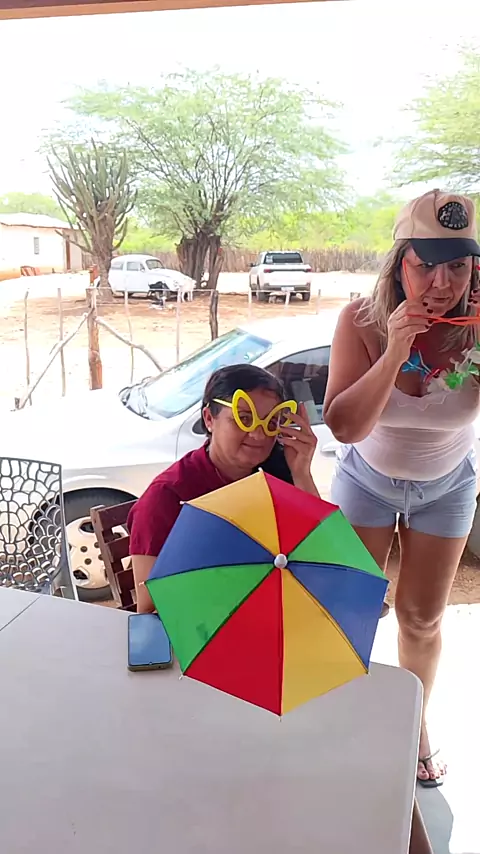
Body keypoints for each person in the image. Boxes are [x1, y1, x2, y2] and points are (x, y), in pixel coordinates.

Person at [324, 189, 480, 788]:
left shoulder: (476, 326)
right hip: (366, 480)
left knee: (420, 618)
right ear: (399, 264)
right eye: (426, 265)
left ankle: (415, 726)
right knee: (353, 613)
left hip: (447, 485)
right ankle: (350, 721)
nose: (443, 283)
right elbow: (345, 427)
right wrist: (395, 349)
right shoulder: (360, 321)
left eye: (458, 266)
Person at [129, 363, 318, 614]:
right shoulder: (167, 498)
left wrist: (302, 473)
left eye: (271, 421)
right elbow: (149, 611)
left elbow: (321, 554)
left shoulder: (276, 479)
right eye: (244, 418)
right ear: (209, 419)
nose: (258, 434)